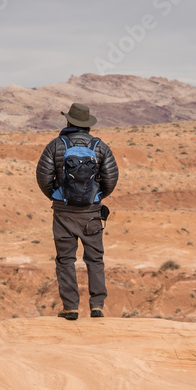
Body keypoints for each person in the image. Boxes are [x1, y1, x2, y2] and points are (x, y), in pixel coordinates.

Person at [35, 103, 119, 320]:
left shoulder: (55, 145)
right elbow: (110, 179)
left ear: (69, 121)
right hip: (91, 212)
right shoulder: (100, 147)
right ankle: (97, 306)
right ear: (87, 124)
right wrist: (96, 197)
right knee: (95, 259)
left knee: (65, 260)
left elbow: (43, 178)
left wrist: (58, 196)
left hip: (63, 213)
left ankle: (71, 307)